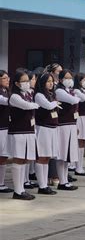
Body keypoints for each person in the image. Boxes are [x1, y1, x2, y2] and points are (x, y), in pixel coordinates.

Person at [8, 70, 39, 200]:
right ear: (16, 83)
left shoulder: (28, 94)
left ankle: (21, 189)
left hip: (28, 130)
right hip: (18, 131)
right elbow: (26, 106)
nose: (27, 83)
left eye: (28, 80)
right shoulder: (14, 96)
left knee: (25, 160)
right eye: (24, 81)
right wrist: (35, 104)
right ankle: (17, 190)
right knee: (18, 159)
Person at [33, 73, 59, 195]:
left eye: (52, 81)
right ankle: (41, 185)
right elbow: (48, 106)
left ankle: (45, 184)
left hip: (52, 128)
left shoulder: (51, 94)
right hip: (43, 128)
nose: (51, 83)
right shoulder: (39, 95)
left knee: (47, 157)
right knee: (42, 156)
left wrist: (55, 102)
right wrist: (55, 103)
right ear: (42, 82)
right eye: (48, 81)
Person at [55, 70, 80, 191]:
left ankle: (65, 180)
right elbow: (74, 100)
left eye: (71, 78)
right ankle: (61, 181)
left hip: (71, 124)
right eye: (66, 78)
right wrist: (75, 96)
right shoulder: (59, 91)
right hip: (62, 125)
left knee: (68, 155)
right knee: (62, 154)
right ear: (60, 80)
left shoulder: (70, 91)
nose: (69, 80)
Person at [73, 73, 85, 176]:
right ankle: (77, 167)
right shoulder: (77, 91)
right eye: (84, 80)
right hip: (80, 117)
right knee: (79, 141)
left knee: (83, 142)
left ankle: (80, 166)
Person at [0, 70, 13, 193]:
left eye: (8, 78)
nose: (7, 80)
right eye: (4, 78)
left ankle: (1, 182)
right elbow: (6, 101)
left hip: (6, 127)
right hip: (0, 128)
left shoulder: (8, 91)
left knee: (4, 156)